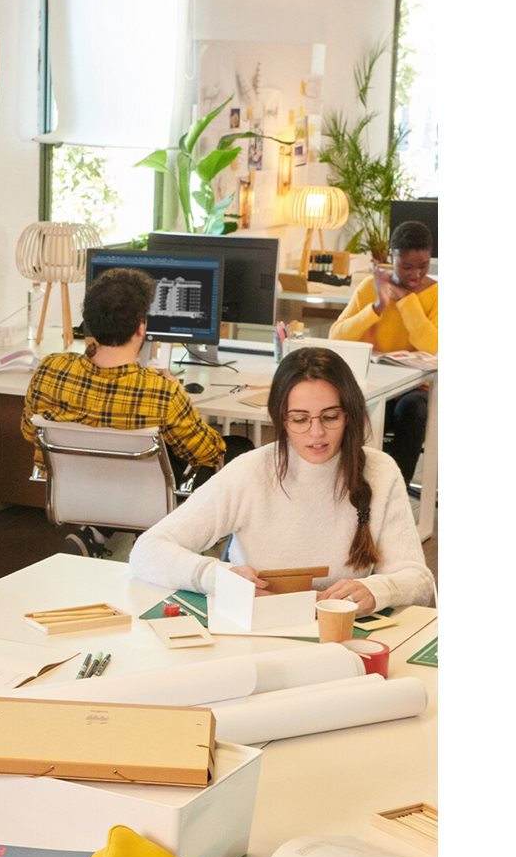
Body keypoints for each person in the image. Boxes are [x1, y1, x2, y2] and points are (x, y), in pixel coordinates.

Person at [127, 346, 436, 613]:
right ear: (282, 420)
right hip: (258, 629)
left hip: (342, 632)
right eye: (300, 419)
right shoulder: (251, 471)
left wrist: (378, 591)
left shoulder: (380, 471)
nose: (316, 433)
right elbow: (147, 550)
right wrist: (215, 576)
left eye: (330, 417)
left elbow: (420, 582)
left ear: (349, 415)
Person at [24, 265, 228, 486]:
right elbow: (210, 454)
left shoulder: (49, 370)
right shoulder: (163, 393)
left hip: (68, 493)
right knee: (237, 447)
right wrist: (180, 395)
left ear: (89, 322)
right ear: (141, 327)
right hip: (142, 499)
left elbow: (29, 431)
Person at [331, 221, 438, 485]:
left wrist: (406, 300)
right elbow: (336, 336)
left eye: (423, 266)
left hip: (415, 389)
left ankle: (395, 490)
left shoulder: (437, 294)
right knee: (347, 409)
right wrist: (377, 307)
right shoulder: (371, 286)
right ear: (392, 257)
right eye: (407, 266)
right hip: (371, 383)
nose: (415, 274)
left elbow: (433, 345)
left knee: (413, 410)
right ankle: (352, 486)